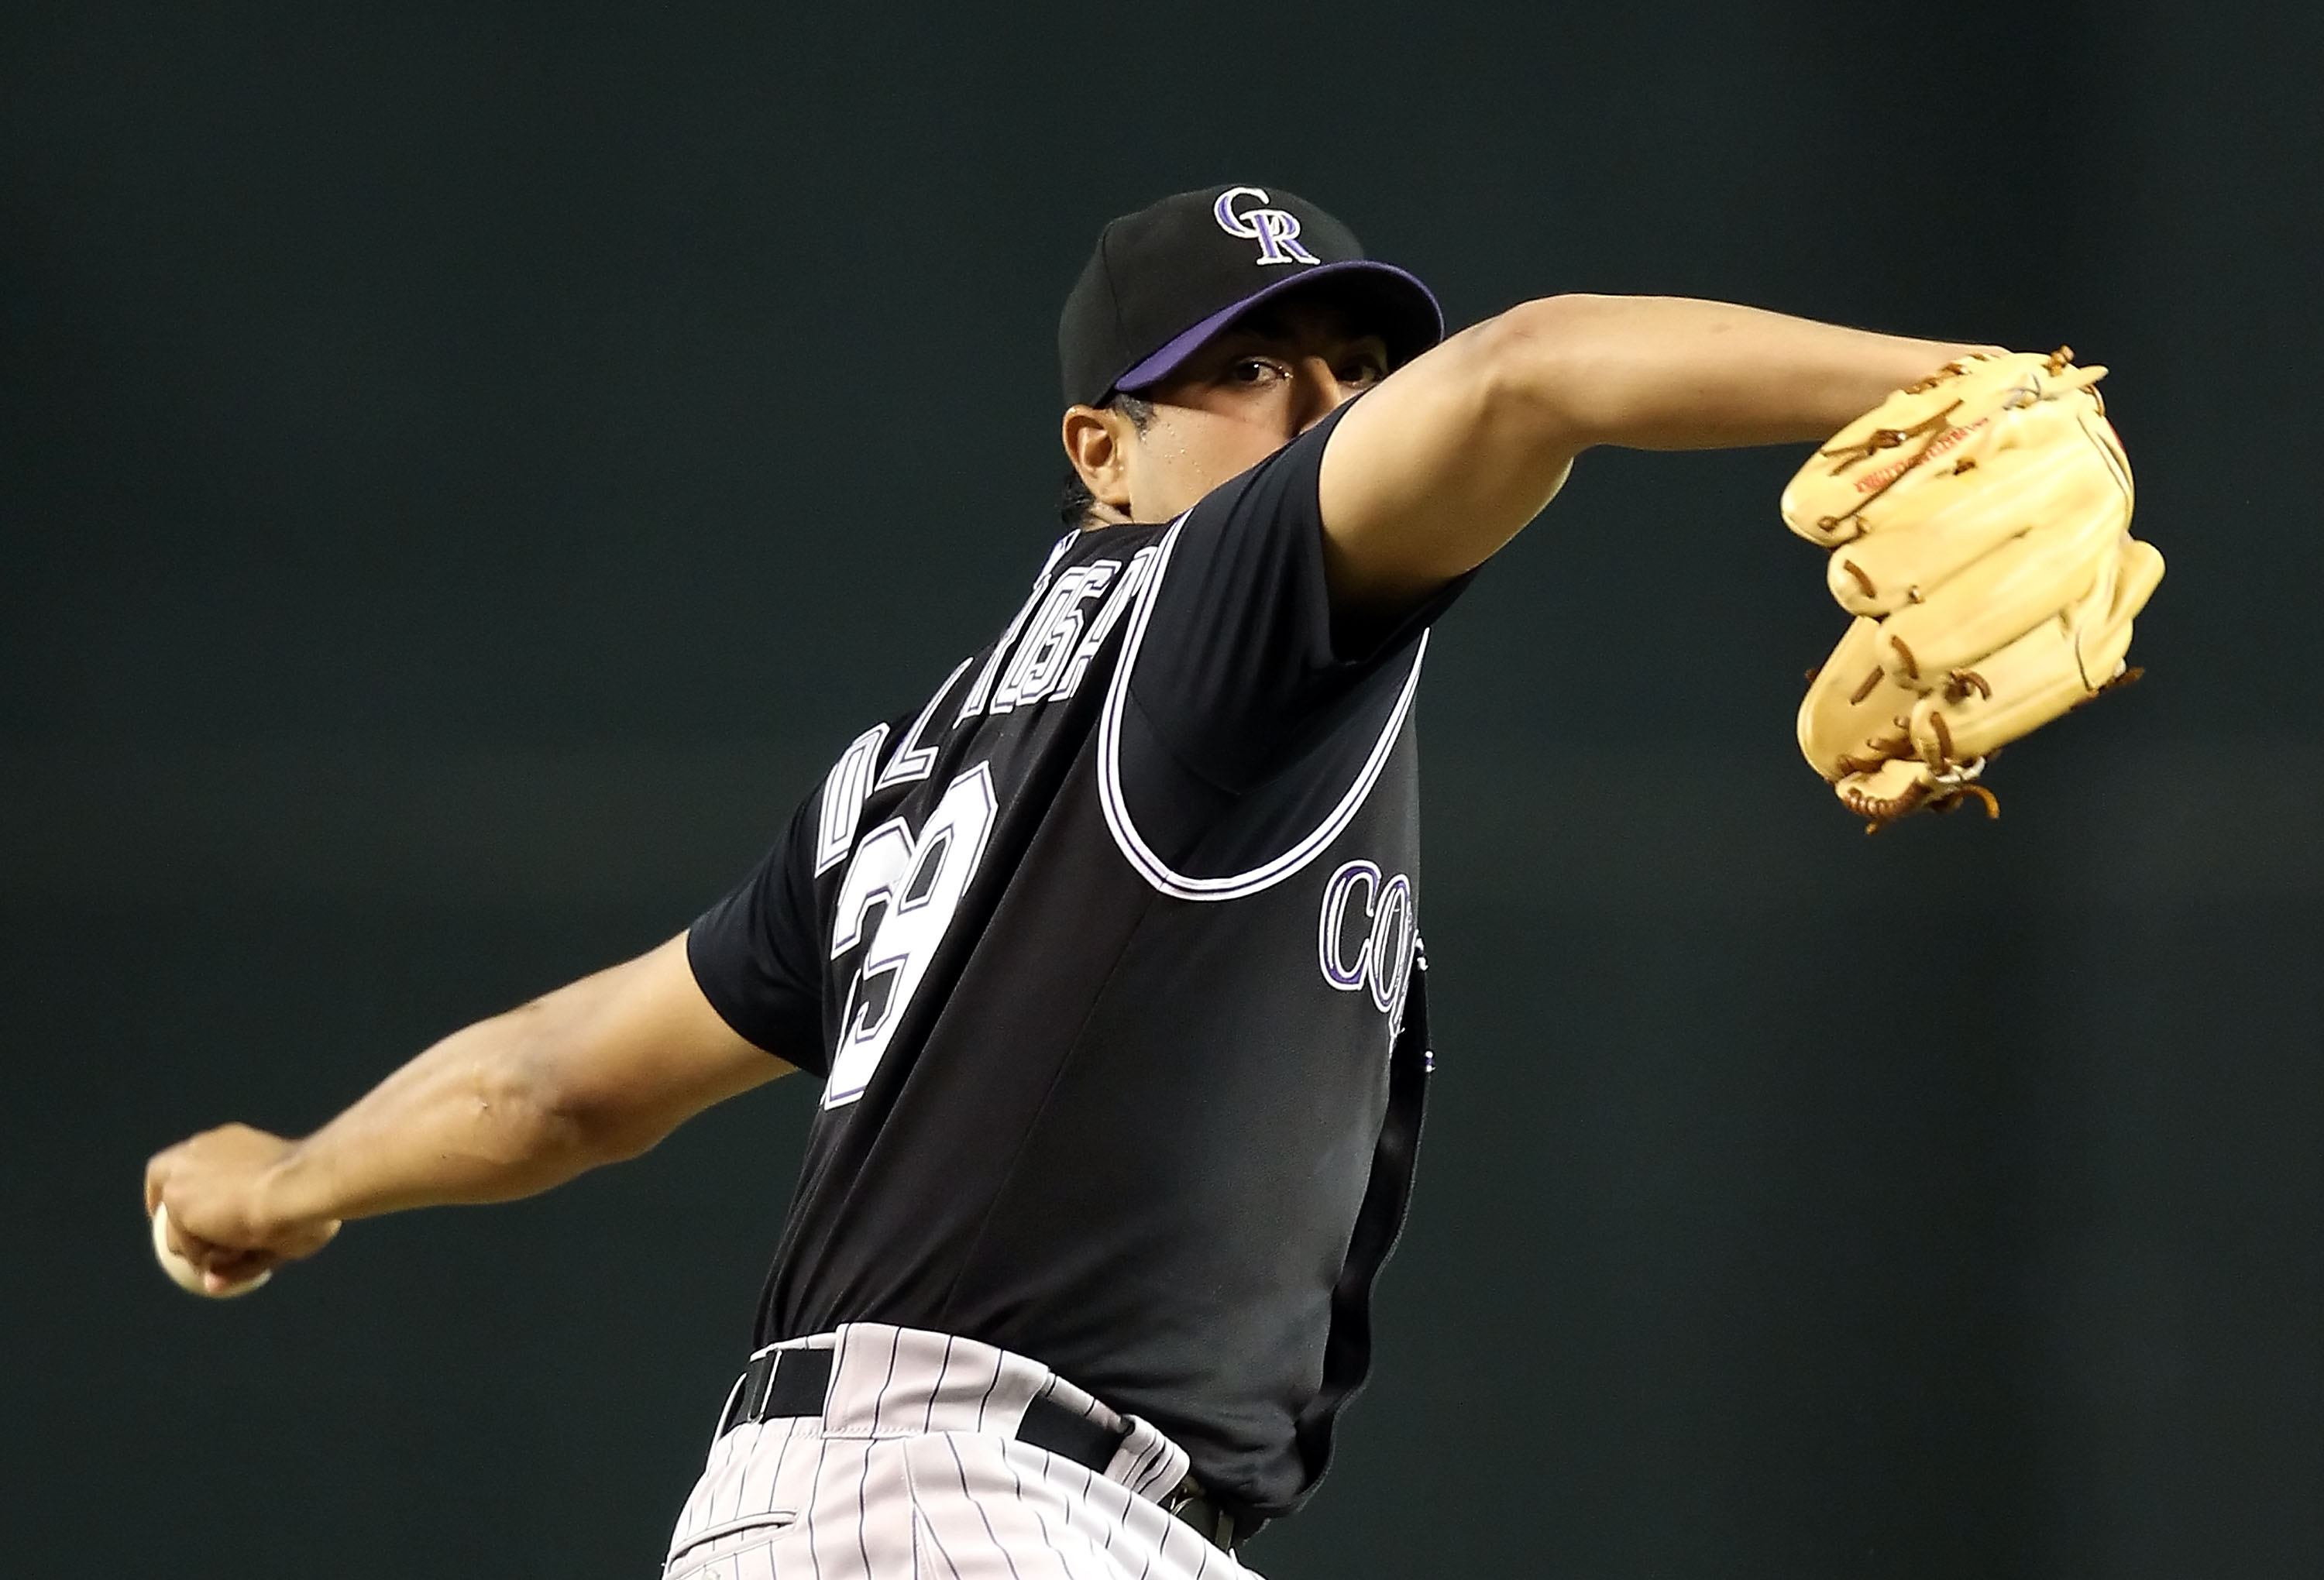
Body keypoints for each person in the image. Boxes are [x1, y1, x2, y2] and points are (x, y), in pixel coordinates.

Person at [145, 184, 1981, 1578]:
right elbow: (1533, 368)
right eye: (1250, 366)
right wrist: (1960, 397)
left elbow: (558, 1083)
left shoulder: (911, 775)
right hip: (968, 1513)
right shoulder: (1226, 605)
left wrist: (292, 1182)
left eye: (1355, 368)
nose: (1325, 405)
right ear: (1104, 453)